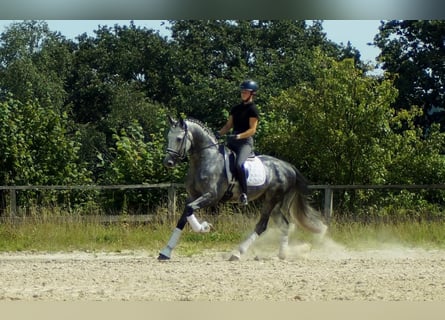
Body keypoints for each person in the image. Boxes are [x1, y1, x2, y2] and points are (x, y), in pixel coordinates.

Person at [218, 80, 260, 205]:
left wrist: (239, 136)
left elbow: (252, 130)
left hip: (245, 143)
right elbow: (228, 126)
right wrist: (218, 134)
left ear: (252, 94)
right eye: (242, 91)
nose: (242, 94)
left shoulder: (253, 110)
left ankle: (244, 194)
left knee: (239, 164)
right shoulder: (235, 109)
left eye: (245, 91)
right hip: (233, 141)